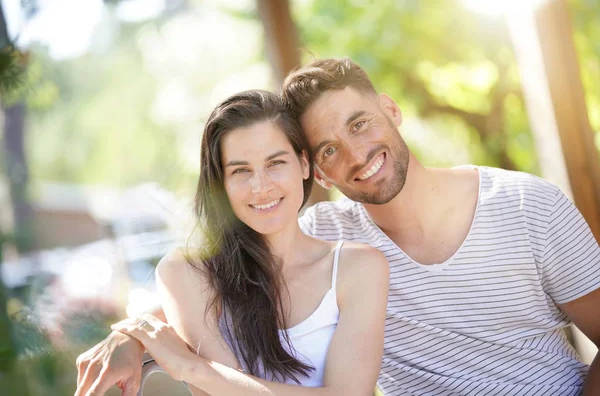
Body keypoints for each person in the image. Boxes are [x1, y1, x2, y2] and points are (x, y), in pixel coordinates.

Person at [76, 58, 600, 396]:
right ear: (317, 170)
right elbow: (212, 279)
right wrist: (130, 338)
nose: (355, 155)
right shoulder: (329, 232)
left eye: (360, 123)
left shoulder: (528, 206)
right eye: (329, 149)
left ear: (390, 110)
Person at [76, 90, 389, 396]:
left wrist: (188, 366)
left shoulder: (358, 268)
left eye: (276, 163)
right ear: (221, 185)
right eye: (241, 171)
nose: (261, 186)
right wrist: (134, 333)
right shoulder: (186, 273)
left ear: (304, 164)